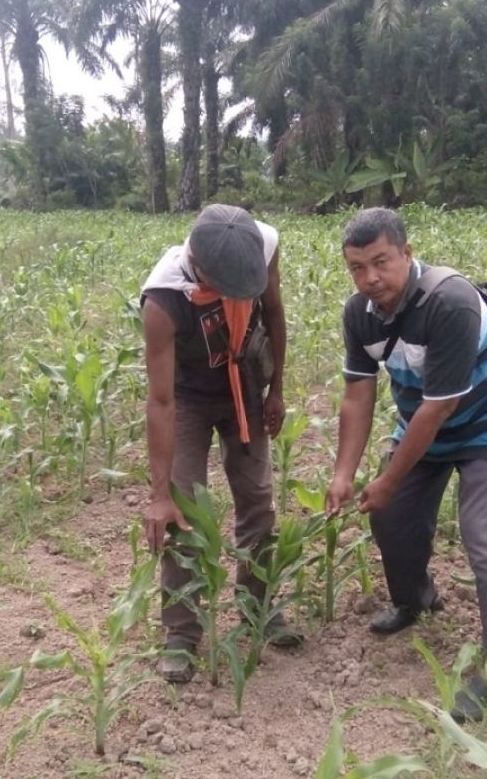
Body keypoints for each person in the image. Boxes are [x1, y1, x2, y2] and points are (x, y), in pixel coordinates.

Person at [325, 207, 487, 721]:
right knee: (390, 519)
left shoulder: (449, 302)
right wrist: (344, 473)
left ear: (407, 254)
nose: (370, 278)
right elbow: (358, 392)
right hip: (423, 423)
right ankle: (416, 600)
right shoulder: (359, 314)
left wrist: (389, 479)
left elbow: (441, 407)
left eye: (381, 262)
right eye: (357, 267)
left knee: (486, 542)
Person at [140, 203, 301, 684]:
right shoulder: (165, 301)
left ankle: (259, 607)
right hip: (188, 398)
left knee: (256, 497)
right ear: (202, 268)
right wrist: (159, 494)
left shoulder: (263, 244)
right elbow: (161, 401)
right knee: (184, 506)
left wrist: (275, 387)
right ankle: (181, 633)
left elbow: (272, 312)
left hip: (245, 384)